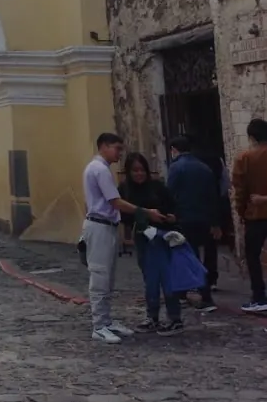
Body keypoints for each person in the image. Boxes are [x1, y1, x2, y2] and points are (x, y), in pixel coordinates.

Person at [82, 132, 167, 344]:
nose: (120, 154)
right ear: (104, 146)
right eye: (117, 148)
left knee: (108, 276)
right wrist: (146, 212)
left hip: (107, 226)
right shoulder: (99, 169)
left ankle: (107, 320)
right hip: (100, 226)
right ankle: (99, 325)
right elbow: (116, 202)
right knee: (100, 276)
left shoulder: (100, 169)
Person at [119, 152, 182, 333]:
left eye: (142, 170)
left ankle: (174, 317)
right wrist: (143, 217)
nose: (139, 174)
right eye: (135, 171)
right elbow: (123, 214)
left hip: (162, 236)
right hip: (143, 237)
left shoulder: (157, 187)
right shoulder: (125, 190)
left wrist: (171, 217)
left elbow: (174, 206)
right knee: (150, 278)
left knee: (167, 278)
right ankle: (152, 316)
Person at [166, 134, 218, 312]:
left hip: (185, 218)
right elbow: (213, 196)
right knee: (205, 255)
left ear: (174, 150)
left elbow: (169, 193)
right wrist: (215, 221)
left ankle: (199, 294)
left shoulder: (176, 168)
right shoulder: (205, 168)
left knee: (189, 257)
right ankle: (204, 292)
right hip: (204, 217)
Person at [232, 117, 267, 314]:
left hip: (255, 215)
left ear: (252, 137)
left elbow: (240, 191)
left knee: (252, 256)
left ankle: (259, 296)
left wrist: (241, 212)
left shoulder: (244, 158)